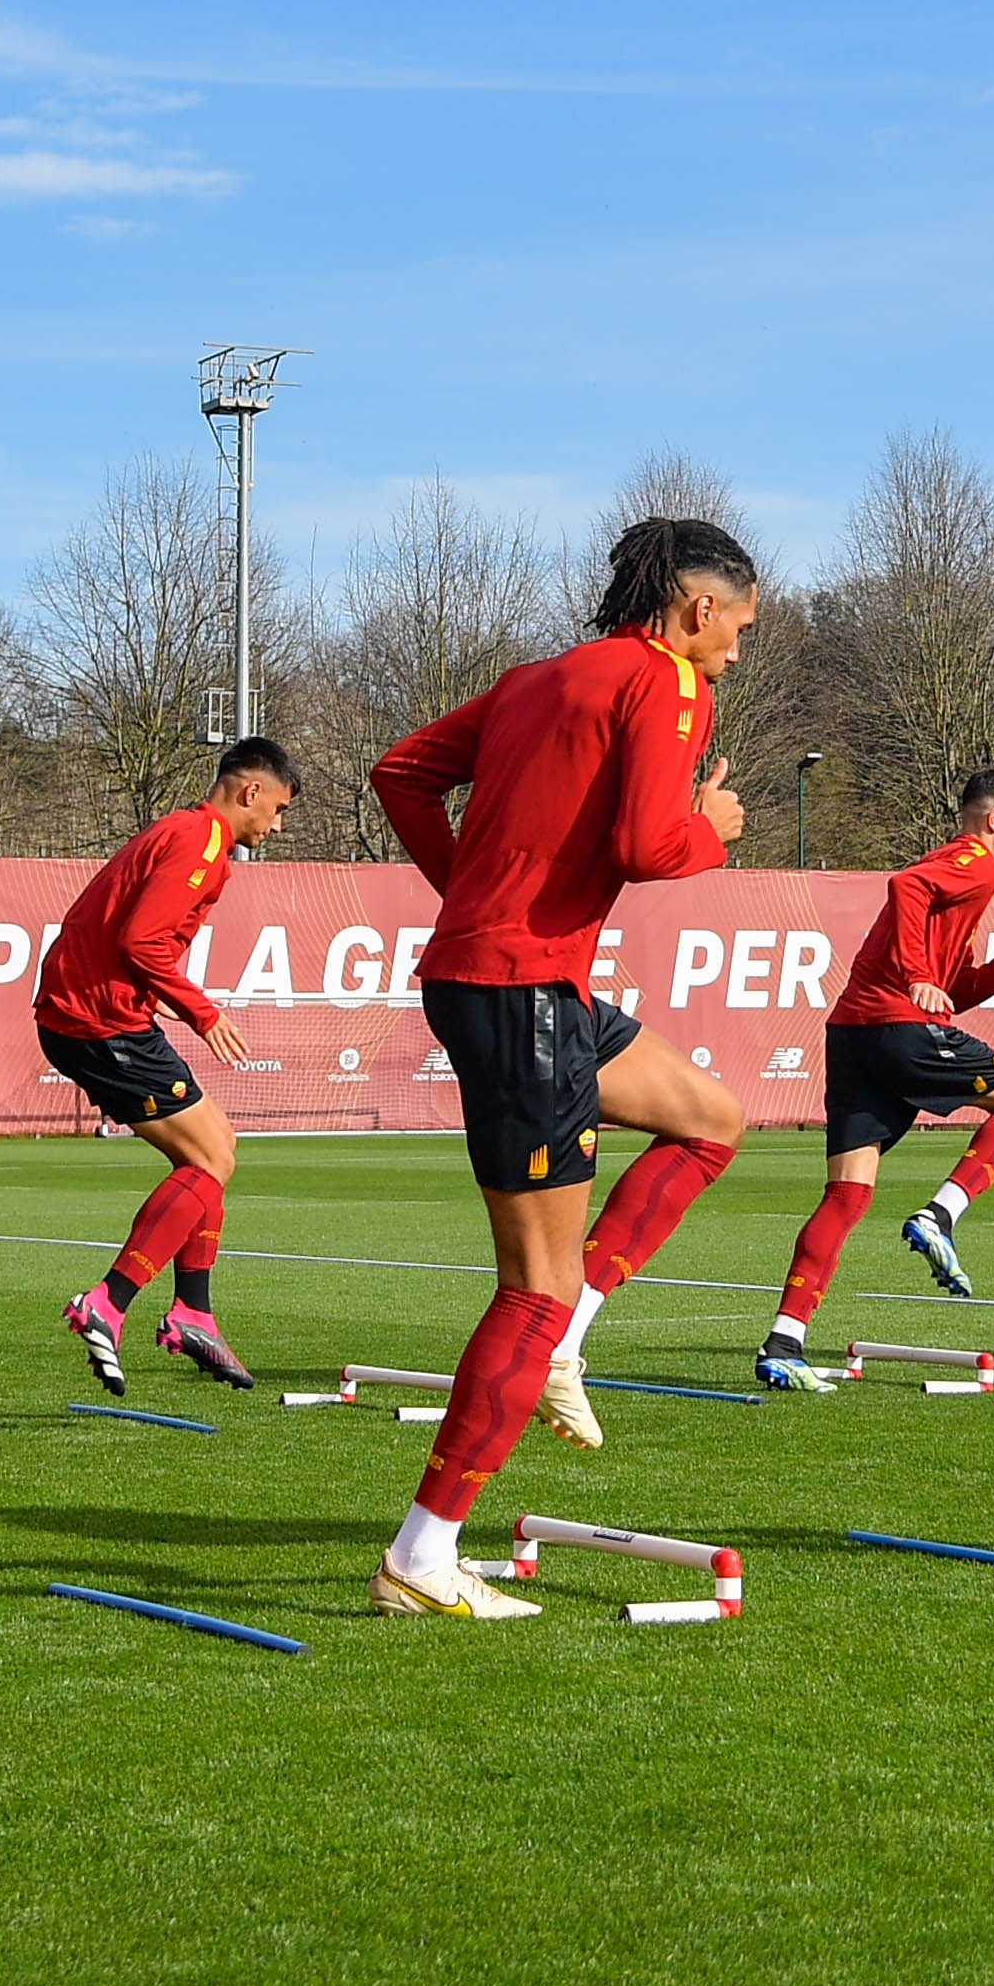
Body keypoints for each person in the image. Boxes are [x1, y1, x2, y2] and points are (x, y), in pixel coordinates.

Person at [357, 516, 762, 1618]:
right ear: (693, 609)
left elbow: (399, 772)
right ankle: (423, 1551)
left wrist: (471, 890)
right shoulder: (670, 684)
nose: (735, 649)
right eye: (736, 626)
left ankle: (575, 1336)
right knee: (530, 1289)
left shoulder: (535, 676)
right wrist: (711, 823)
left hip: (525, 983)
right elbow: (645, 841)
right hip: (522, 990)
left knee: (712, 1118)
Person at [758, 775, 994, 1386]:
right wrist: (918, 973)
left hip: (853, 1034)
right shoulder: (976, 863)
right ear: (993, 820)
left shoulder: (965, 880)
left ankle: (784, 1341)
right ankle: (940, 1216)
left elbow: (958, 990)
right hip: (898, 1026)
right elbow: (907, 884)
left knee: (845, 1197)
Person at [41, 737, 296, 1398]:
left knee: (216, 1152)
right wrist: (203, 1013)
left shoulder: (186, 834)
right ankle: (111, 1301)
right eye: (278, 809)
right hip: (100, 1019)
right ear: (249, 792)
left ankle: (193, 1313)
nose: (277, 824)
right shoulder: (200, 841)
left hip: (96, 1014)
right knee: (211, 1160)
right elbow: (140, 941)